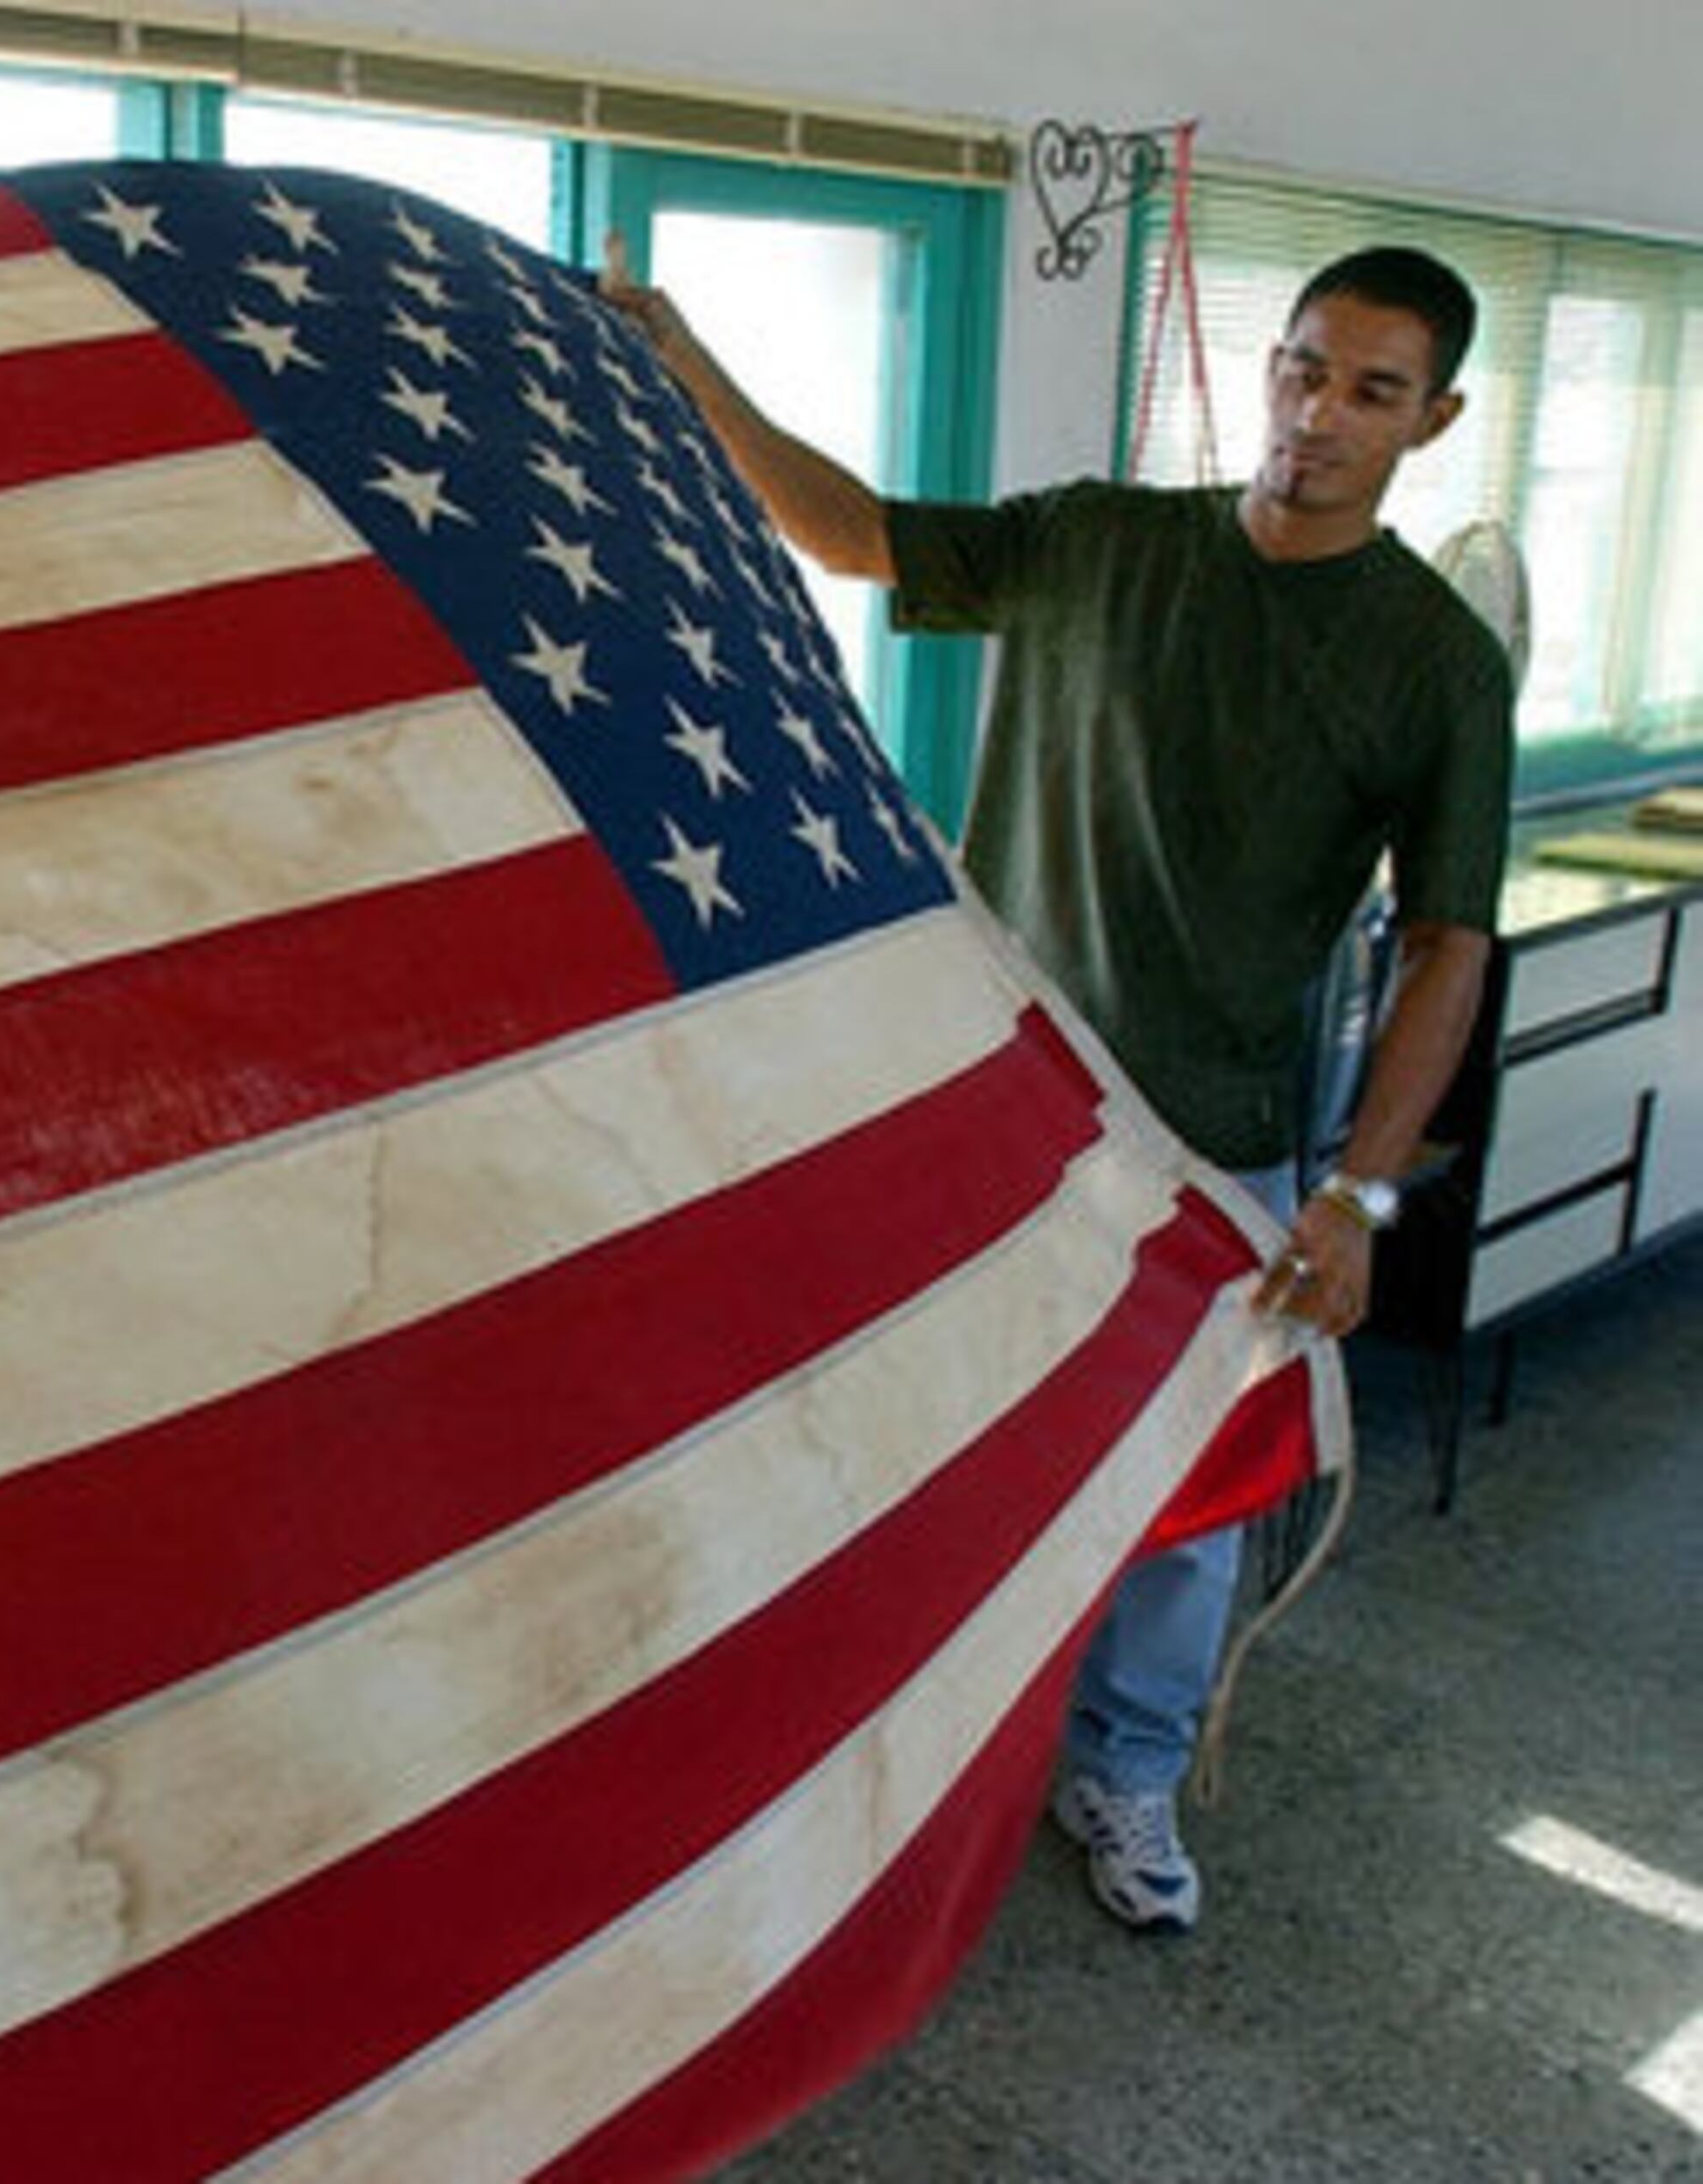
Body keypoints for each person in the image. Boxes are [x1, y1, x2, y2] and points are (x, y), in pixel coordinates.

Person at [602, 239, 1514, 1933]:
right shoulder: (1101, 540)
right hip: (1001, 1108)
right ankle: (918, 1755)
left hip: (1216, 1149)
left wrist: (1360, 1194)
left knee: (1186, 1497)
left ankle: (1133, 1768)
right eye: (1304, 367)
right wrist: (682, 359)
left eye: (1371, 391)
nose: (1319, 413)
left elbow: (1449, 945)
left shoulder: (1437, 661)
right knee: (935, 1445)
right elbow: (857, 532)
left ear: (1432, 416)